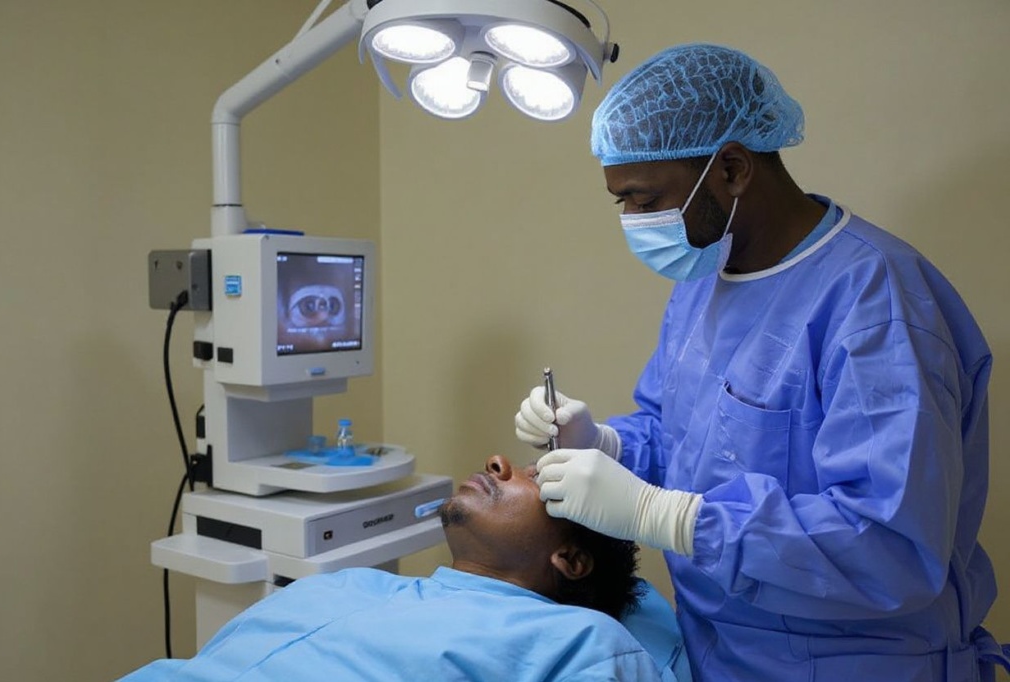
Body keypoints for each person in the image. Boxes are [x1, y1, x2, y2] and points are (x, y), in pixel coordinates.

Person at [515, 43, 1010, 681]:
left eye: (647, 200)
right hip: (719, 652)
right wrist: (607, 444)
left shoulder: (876, 302)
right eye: (624, 205)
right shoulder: (707, 274)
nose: (637, 222)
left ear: (732, 168)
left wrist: (667, 516)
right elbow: (689, 442)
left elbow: (891, 548)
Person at [117, 455, 690, 682]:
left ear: (570, 559)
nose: (498, 461)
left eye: (539, 479)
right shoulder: (354, 583)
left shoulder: (584, 644)